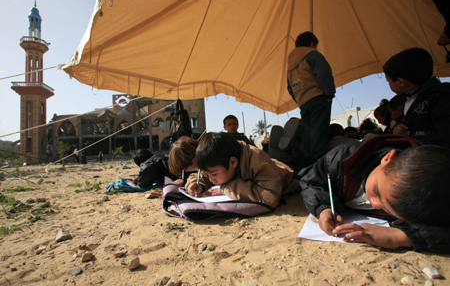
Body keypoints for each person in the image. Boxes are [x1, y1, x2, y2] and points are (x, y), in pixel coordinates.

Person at [300, 134, 450, 253]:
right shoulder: (340, 159)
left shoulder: (433, 197)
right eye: (376, 191)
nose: (375, 204)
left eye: (387, 208)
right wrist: (323, 208)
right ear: (387, 158)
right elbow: (310, 183)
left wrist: (400, 236)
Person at [185, 132, 300, 209]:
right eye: (208, 174)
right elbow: (204, 175)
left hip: (289, 172)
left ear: (233, 162)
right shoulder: (220, 160)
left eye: (214, 174)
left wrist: (226, 189)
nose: (211, 179)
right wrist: (196, 183)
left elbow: (269, 196)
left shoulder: (256, 159)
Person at [383, 47, 450, 148]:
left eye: (388, 81)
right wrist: (396, 129)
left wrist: (408, 141)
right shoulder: (409, 99)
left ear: (400, 82)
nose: (388, 84)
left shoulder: (442, 96)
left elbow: (444, 136)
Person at [287, 31, 336, 166]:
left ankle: (307, 163)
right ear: (312, 44)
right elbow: (324, 75)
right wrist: (329, 94)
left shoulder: (290, 67)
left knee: (308, 133)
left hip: (304, 102)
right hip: (317, 98)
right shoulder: (313, 55)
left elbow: (290, 87)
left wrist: (300, 100)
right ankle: (319, 164)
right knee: (319, 132)